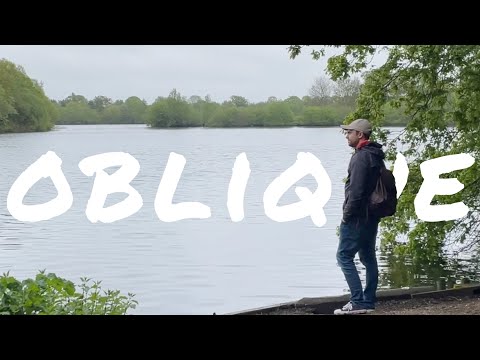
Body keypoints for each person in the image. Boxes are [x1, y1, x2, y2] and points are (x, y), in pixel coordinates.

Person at [334, 119, 385, 315]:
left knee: (344, 256)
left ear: (360, 135)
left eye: (349, 132)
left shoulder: (360, 158)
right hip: (371, 216)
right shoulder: (376, 155)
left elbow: (355, 192)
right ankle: (368, 301)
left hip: (357, 217)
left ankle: (357, 302)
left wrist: (346, 216)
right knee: (368, 257)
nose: (347, 136)